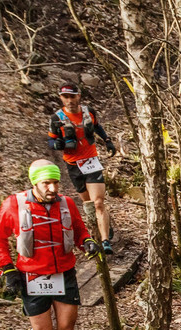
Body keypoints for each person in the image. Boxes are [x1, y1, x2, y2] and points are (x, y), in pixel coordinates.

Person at [0, 159, 99, 330]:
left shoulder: (67, 203)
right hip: (32, 275)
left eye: (56, 183)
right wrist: (7, 269)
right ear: (34, 183)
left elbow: (79, 230)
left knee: (66, 328)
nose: (53, 188)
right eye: (46, 183)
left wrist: (87, 242)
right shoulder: (15, 204)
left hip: (64, 273)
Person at [48, 82, 117, 254]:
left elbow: (97, 126)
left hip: (91, 162)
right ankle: (102, 227)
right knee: (88, 205)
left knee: (98, 202)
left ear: (79, 96)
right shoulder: (56, 118)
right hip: (72, 165)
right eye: (66, 97)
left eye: (73, 96)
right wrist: (57, 144)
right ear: (61, 98)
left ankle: (105, 241)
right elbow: (50, 140)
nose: (69, 100)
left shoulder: (89, 112)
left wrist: (107, 140)